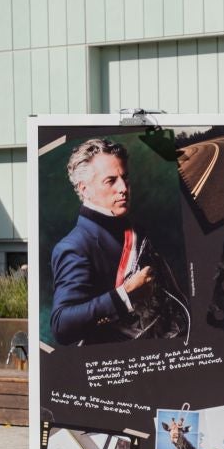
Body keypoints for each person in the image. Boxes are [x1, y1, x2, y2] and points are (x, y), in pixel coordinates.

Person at [48, 137, 155, 344]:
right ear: (84, 189)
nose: (123, 188)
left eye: (125, 178)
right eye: (111, 181)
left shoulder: (136, 229)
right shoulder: (74, 246)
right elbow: (61, 325)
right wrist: (126, 294)